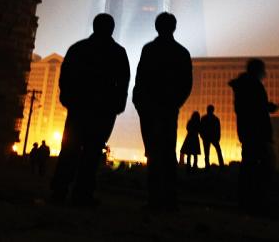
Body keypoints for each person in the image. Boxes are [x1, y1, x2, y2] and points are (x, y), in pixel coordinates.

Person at [50, 13, 130, 206]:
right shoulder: (117, 53)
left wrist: (69, 100)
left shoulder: (78, 49)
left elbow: (65, 78)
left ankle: (59, 191)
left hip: (79, 108)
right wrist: (117, 105)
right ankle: (82, 194)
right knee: (92, 153)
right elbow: (123, 82)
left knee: (70, 149)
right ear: (112, 29)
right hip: (103, 111)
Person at [133, 12, 192, 211]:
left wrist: (140, 103)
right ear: (174, 27)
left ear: (156, 27)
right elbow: (187, 84)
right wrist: (175, 103)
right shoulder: (181, 53)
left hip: (150, 108)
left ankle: (155, 198)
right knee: (167, 152)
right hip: (167, 109)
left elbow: (140, 79)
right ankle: (168, 199)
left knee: (153, 152)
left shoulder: (149, 50)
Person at [229, 58, 279, 215]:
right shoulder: (253, 86)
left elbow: (247, 107)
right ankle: (256, 202)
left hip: (248, 132)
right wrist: (267, 107)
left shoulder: (244, 86)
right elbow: (255, 107)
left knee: (249, 167)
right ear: (258, 70)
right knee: (262, 167)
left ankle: (248, 201)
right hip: (257, 132)